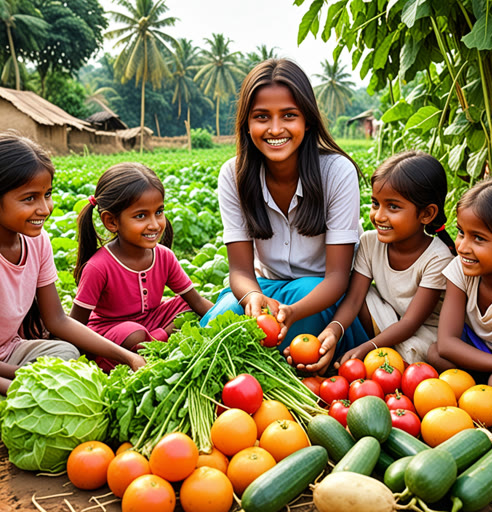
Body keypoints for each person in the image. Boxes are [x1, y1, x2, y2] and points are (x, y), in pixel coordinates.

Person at [199, 58, 368, 374]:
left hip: (319, 294)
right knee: (220, 321)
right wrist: (251, 296)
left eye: (289, 116)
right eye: (262, 117)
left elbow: (336, 278)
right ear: (247, 124)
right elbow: (239, 269)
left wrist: (292, 312)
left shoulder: (336, 172)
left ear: (307, 121)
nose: (275, 129)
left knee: (298, 315)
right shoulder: (233, 175)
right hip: (265, 287)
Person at [0, 133, 145, 395]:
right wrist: (23, 381)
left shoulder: (38, 241)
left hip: (10, 352)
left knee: (66, 351)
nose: (44, 208)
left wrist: (128, 357)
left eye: (47, 194)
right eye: (29, 198)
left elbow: (57, 320)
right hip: (10, 367)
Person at [70, 162, 213, 371]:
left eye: (159, 212)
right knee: (134, 333)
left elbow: (197, 302)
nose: (154, 224)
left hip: (152, 320)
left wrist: (229, 321)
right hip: (113, 334)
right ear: (111, 222)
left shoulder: (164, 256)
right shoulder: (99, 267)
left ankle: (155, 342)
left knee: (187, 309)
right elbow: (76, 326)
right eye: (141, 216)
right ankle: (157, 342)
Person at [319, 151, 456, 367]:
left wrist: (368, 347)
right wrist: (334, 329)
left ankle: (384, 354)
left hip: (423, 331)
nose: (379, 216)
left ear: (427, 214)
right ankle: (382, 352)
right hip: (389, 317)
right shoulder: (370, 242)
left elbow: (412, 322)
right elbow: (355, 299)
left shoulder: (437, 257)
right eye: (375, 203)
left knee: (425, 356)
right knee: (349, 292)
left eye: (393, 206)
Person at [427, 177, 492, 408]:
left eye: (479, 238)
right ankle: (483, 392)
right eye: (462, 233)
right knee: (435, 354)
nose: (462, 247)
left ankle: (482, 389)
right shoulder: (461, 269)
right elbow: (446, 343)